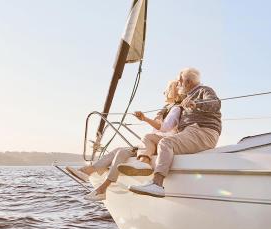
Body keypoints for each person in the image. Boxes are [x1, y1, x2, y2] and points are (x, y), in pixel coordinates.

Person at [66, 80, 183, 201]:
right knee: (120, 151)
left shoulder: (176, 109)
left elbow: (165, 127)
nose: (164, 92)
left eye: (168, 89)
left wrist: (145, 119)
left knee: (123, 150)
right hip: (151, 144)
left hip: (160, 144)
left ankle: (93, 178)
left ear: (174, 91)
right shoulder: (167, 109)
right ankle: (97, 182)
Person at [125, 67, 222, 198]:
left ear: (187, 82)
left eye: (179, 81)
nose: (178, 84)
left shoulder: (204, 90)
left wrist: (196, 103)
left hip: (203, 131)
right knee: (149, 137)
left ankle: (157, 184)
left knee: (166, 143)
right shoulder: (186, 98)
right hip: (190, 132)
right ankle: (144, 164)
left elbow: (215, 103)